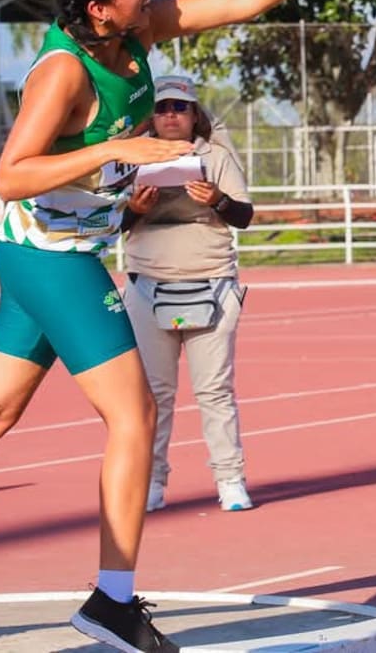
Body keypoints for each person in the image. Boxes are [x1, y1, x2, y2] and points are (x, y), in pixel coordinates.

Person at [0, 0, 363, 653]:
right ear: (99, 8)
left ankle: (111, 600)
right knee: (134, 417)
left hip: (44, 251)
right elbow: (10, 174)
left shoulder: (135, 33)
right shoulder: (64, 73)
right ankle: (112, 602)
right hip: (54, 257)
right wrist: (114, 148)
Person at [123, 75, 255, 514]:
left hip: (211, 282)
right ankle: (152, 482)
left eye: (179, 107)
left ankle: (230, 481)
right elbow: (110, 223)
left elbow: (244, 216)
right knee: (154, 395)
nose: (170, 115)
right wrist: (134, 209)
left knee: (215, 391)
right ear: (151, 116)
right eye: (162, 108)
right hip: (147, 286)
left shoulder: (215, 156)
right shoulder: (131, 157)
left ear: (195, 114)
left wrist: (217, 200)